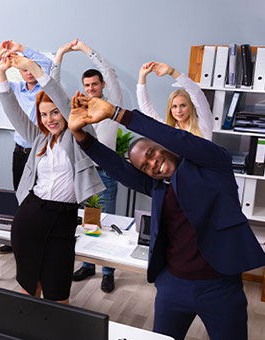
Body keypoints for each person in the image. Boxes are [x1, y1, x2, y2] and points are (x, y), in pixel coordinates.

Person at [67, 93, 265, 340]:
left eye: (151, 154)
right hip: (173, 286)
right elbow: (118, 168)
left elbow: (178, 138)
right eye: (145, 167)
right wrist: (81, 137)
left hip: (220, 286)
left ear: (162, 145)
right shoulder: (158, 186)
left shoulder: (214, 165)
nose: (152, 164)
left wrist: (117, 114)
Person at [0, 51, 103, 303]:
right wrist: (2, 73)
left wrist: (33, 67)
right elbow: (13, 111)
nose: (50, 119)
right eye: (44, 114)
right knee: (29, 290)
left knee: (58, 295)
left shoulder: (79, 134)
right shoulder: (39, 139)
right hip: (31, 216)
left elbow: (65, 103)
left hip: (63, 219)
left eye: (55, 112)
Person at [52, 39, 122, 293]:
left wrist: (84, 49)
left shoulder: (112, 104)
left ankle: (108, 271)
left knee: (105, 221)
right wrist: (60, 54)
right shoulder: (77, 109)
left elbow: (111, 72)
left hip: (107, 174)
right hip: (83, 171)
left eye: (95, 84)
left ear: (102, 86)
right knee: (85, 222)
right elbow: (54, 87)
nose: (91, 88)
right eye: (87, 85)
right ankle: (88, 265)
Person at [0, 40, 52, 254]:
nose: (29, 73)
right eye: (23, 69)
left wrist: (22, 50)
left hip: (41, 152)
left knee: (40, 196)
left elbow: (47, 64)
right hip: (20, 151)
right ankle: (20, 238)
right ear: (20, 72)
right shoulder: (14, 88)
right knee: (20, 195)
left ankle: (39, 239)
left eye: (31, 68)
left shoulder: (45, 87)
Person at [137, 61, 213, 140]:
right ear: (170, 109)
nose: (179, 111)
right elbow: (146, 108)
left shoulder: (204, 124)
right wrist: (142, 77)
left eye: (183, 105)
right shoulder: (169, 130)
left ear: (191, 106)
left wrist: (171, 71)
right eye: (174, 106)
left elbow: (196, 93)